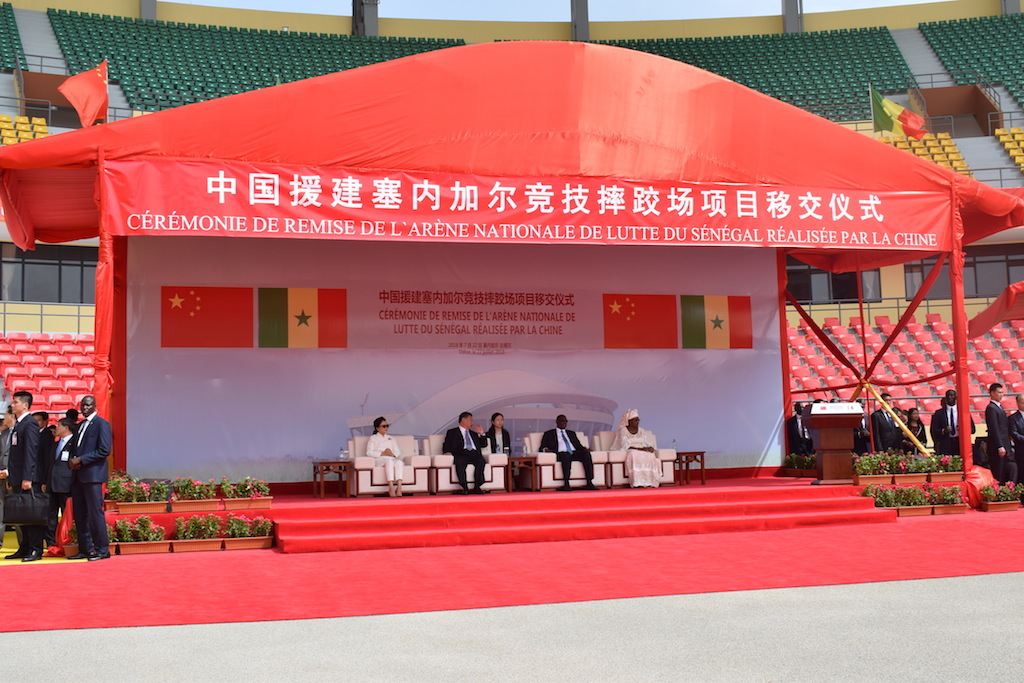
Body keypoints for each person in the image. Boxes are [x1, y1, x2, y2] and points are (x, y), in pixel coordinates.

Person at [68, 395, 113, 561]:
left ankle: (102, 550)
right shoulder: (80, 426)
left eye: (88, 405)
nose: (84, 408)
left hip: (93, 476)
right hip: (78, 476)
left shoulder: (102, 424)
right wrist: (73, 461)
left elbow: (104, 450)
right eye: (82, 406)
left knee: (95, 514)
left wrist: (81, 460)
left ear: (95, 406)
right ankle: (85, 549)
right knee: (79, 515)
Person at [5, 391, 42, 561]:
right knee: (22, 515)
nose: (13, 405)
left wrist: (28, 477)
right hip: (18, 477)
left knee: (31, 513)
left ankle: (35, 549)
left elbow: (30, 453)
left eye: (16, 402)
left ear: (25, 405)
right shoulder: (19, 424)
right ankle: (24, 547)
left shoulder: (30, 424)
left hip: (27, 478)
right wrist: (12, 478)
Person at [540, 414, 598, 491]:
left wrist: (585, 449)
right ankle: (566, 483)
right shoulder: (549, 434)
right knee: (566, 455)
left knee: (586, 454)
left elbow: (578, 445)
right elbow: (542, 447)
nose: (564, 423)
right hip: (560, 453)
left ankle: (589, 482)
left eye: (566, 421)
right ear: (557, 422)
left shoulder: (571, 433)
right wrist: (546, 450)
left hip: (574, 452)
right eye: (562, 421)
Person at [44, 417, 76, 546]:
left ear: (66, 428)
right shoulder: (56, 444)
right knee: (50, 515)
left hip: (66, 485)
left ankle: (68, 541)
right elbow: (50, 464)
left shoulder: (74, 443)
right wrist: (45, 482)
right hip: (52, 484)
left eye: (58, 425)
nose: (56, 428)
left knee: (67, 514)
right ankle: (51, 542)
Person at [442, 411, 489, 494]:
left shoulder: (474, 434)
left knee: (481, 461)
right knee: (460, 462)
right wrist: (447, 451)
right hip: (461, 453)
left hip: (474, 454)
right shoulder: (452, 432)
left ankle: (477, 487)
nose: (472, 422)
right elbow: (447, 443)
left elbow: (484, 445)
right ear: (463, 420)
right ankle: (464, 487)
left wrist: (482, 434)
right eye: (470, 420)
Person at [613, 409, 661, 488]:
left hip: (642, 449)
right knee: (634, 454)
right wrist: (640, 449)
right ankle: (637, 482)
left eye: (638, 420)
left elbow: (646, 442)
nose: (637, 422)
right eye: (635, 420)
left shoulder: (642, 431)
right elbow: (625, 445)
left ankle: (649, 482)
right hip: (631, 450)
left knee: (650, 455)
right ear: (629, 421)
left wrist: (650, 448)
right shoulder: (623, 431)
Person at [366, 416, 404, 497]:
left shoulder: (391, 438)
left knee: (399, 462)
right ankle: (391, 486)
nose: (386, 428)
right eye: (384, 426)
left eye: (387, 426)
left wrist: (391, 453)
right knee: (389, 462)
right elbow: (369, 452)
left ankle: (399, 487)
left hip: (391, 458)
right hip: (379, 459)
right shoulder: (373, 438)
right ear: (377, 428)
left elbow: (398, 451)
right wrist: (382, 453)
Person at [930, 389, 974, 455]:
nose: (950, 397)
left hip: (960, 443)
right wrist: (943, 430)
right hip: (945, 444)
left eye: (952, 395)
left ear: (956, 397)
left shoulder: (963, 412)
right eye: (948, 396)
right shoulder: (939, 413)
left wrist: (963, 429)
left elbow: (973, 429)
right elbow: (934, 430)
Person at [985, 383, 1013, 484]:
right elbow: (994, 429)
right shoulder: (991, 408)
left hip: (1004, 444)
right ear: (992, 393)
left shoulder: (999, 407)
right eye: (999, 392)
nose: (1001, 395)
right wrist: (1000, 446)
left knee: (1003, 471)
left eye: (1002, 393)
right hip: (997, 446)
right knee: (998, 472)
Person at [0, 407, 14, 552]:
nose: (4, 417)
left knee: (18, 511)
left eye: (6, 415)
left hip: (14, 478)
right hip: (1, 478)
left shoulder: (20, 431)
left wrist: (9, 472)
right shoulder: (3, 433)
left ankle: (23, 544)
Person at [1008, 394, 1024, 485]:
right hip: (1021, 451)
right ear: (1018, 403)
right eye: (1022, 403)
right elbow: (1014, 433)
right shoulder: (1013, 418)